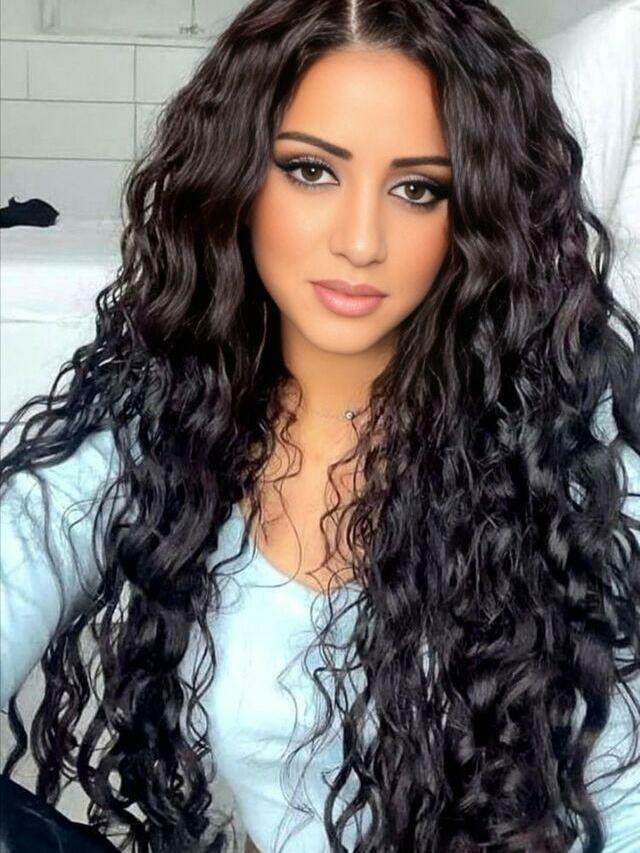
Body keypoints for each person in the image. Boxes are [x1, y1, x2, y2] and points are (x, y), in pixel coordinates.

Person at [1, 0, 640, 851]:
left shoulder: (570, 449)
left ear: (476, 214)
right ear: (238, 179)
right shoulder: (165, 420)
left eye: (417, 189)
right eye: (311, 171)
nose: (361, 241)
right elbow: (24, 543)